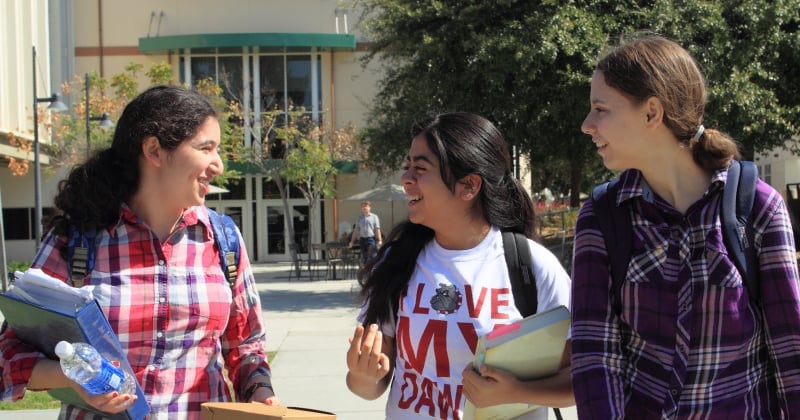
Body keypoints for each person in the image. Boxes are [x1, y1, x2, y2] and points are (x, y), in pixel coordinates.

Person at [0, 85, 279, 418]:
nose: (218, 164)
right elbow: (9, 353)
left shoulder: (223, 239)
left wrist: (260, 393)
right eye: (206, 148)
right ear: (154, 151)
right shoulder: (76, 239)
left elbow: (246, 345)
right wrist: (73, 378)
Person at [571, 32, 800, 418]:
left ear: (651, 112)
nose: (586, 125)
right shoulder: (602, 216)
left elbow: (792, 351)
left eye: (600, 109)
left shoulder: (757, 207)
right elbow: (596, 357)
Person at [345, 112, 573, 419]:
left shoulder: (531, 266)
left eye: (421, 168)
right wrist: (364, 374)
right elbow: (369, 386)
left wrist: (516, 392)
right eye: (407, 166)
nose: (406, 178)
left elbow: (582, 377)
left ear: (468, 186)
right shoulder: (397, 262)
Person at [348, 200, 382, 265]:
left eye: (366, 206)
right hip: (362, 239)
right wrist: (352, 241)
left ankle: (371, 271)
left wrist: (379, 240)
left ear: (369, 207)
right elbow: (356, 230)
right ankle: (367, 272)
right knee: (365, 257)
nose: (364, 208)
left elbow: (377, 229)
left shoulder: (374, 217)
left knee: (370, 255)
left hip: (371, 239)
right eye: (362, 207)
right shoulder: (359, 218)